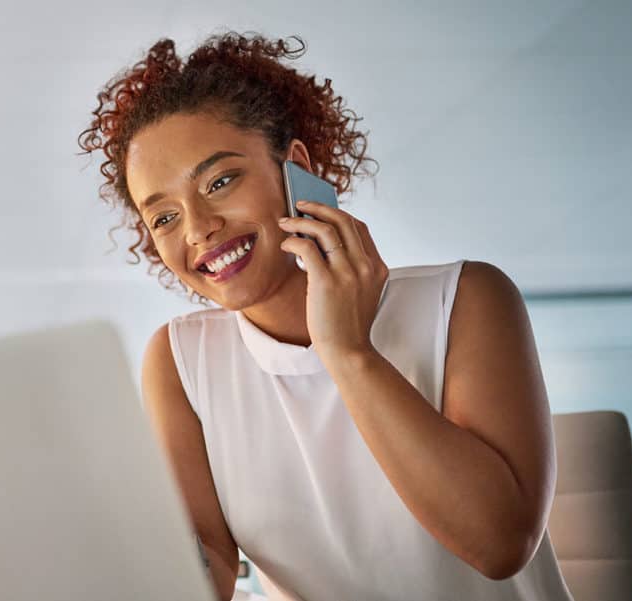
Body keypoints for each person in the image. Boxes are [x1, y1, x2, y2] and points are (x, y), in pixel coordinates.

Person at [78, 33, 574, 600]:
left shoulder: (464, 300)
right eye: (163, 217)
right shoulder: (180, 360)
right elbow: (207, 562)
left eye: (219, 182)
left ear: (296, 169)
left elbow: (499, 544)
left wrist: (346, 350)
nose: (197, 229)